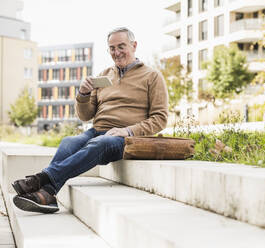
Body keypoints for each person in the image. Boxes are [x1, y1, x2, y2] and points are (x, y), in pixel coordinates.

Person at [12, 27, 169, 214]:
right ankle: (48, 194)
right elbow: (85, 115)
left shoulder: (152, 76)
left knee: (101, 142)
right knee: (69, 141)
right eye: (112, 48)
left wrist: (127, 131)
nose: (116, 52)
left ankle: (42, 179)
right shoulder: (103, 76)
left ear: (134, 46)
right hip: (96, 131)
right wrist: (83, 94)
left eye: (121, 46)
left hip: (124, 138)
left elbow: (160, 118)